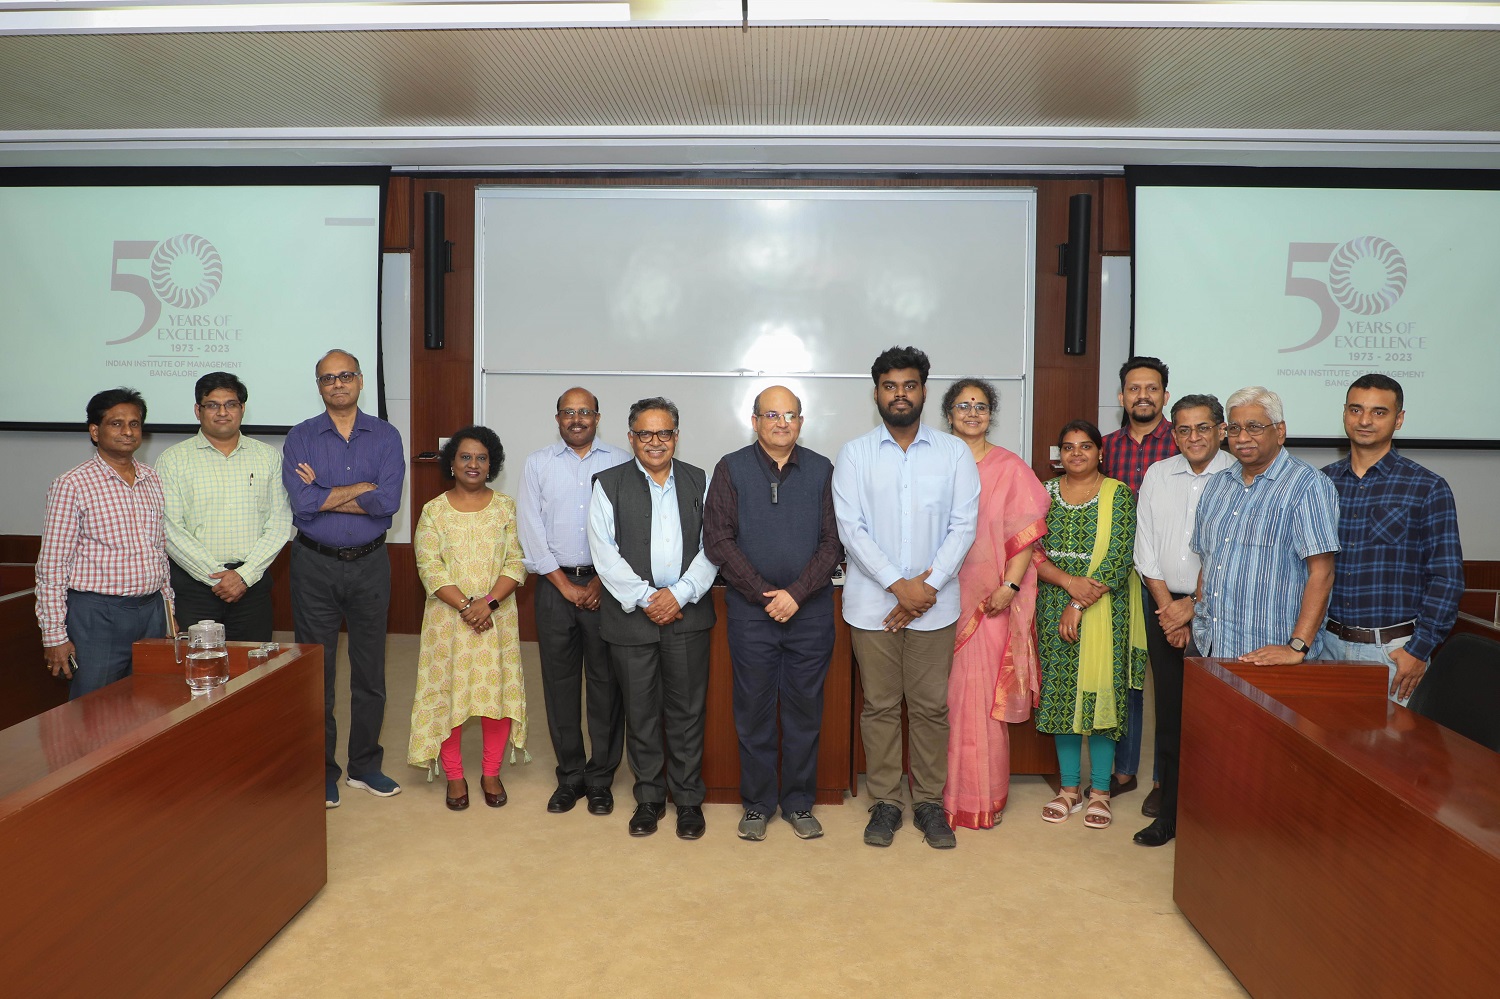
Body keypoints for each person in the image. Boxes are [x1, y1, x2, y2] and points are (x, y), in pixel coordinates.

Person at [833, 346, 979, 850]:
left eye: (910, 385)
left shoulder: (954, 452)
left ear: (924, 391)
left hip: (936, 605)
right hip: (872, 605)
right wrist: (901, 586)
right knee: (878, 707)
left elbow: (963, 527)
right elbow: (851, 530)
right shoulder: (854, 454)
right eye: (890, 385)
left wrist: (927, 588)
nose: (900, 394)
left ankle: (930, 804)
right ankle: (886, 803)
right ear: (876, 392)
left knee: (929, 708)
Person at [703, 385, 843, 842]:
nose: (782, 423)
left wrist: (797, 594)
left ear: (801, 422)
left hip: (811, 613)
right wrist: (765, 594)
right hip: (750, 615)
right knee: (754, 712)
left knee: (804, 712)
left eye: (791, 416)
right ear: (755, 420)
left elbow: (833, 541)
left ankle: (799, 803)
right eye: (772, 415)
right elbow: (718, 540)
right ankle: (758, 804)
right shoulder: (731, 469)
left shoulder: (822, 469)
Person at [587, 397, 718, 840]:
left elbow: (712, 547)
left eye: (664, 433)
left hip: (687, 615)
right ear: (631, 438)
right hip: (631, 617)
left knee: (686, 713)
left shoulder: (700, 481)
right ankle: (648, 799)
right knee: (641, 714)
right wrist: (647, 598)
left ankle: (687, 802)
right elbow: (604, 553)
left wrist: (678, 595)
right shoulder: (608, 483)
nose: (655, 442)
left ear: (676, 437)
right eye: (646, 434)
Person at [283, 349, 407, 809]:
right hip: (314, 564)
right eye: (327, 378)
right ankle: (322, 769)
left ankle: (364, 765)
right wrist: (361, 489)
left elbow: (388, 502)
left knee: (370, 669)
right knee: (317, 670)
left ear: (359, 381)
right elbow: (301, 504)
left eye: (345, 376)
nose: (337, 384)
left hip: (371, 563)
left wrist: (324, 493)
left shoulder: (387, 436)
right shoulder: (300, 437)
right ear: (319, 386)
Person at [940, 378, 1048, 830]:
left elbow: (1023, 533)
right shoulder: (935, 462)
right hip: (938, 598)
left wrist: (1009, 586)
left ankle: (980, 797)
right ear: (948, 414)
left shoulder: (1009, 467)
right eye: (963, 405)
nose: (972, 413)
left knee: (980, 701)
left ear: (990, 414)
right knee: (942, 701)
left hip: (991, 602)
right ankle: (940, 795)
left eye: (980, 406)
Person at [516, 387, 630, 817]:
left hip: (608, 587)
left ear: (598, 417)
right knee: (560, 685)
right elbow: (530, 527)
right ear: (558, 417)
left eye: (585, 412)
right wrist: (564, 586)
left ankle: (601, 779)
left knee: (605, 686)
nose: (577, 419)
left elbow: (628, 528)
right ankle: (571, 776)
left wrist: (602, 579)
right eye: (569, 412)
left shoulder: (621, 460)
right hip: (553, 586)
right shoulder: (538, 463)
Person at [1319, 374, 1463, 704]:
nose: (1365, 420)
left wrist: (1419, 649)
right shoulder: (1320, 484)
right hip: (1325, 648)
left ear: (1399, 419)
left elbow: (1447, 577)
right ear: (1344, 413)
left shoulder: (1427, 487)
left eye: (1379, 412)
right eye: (1356, 410)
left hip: (1393, 655)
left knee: (1393, 753)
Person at [1130, 394, 1235, 847]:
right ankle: (1168, 814)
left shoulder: (1239, 476)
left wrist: (1192, 605)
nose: (1194, 438)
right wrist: (1169, 611)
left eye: (1203, 428)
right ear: (1174, 433)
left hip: (1219, 608)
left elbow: (1229, 552)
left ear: (1222, 430)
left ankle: (1213, 818)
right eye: (1185, 430)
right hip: (1162, 605)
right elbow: (1145, 546)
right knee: (1170, 714)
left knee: (1216, 719)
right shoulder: (1158, 473)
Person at [408, 427, 528, 811]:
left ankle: (491, 772)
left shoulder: (507, 507)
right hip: (448, 622)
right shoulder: (433, 510)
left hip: (498, 618)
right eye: (465, 457)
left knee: (496, 695)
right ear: (452, 463)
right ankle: (455, 775)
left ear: (491, 464)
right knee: (449, 695)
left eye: (481, 458)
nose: (473, 464)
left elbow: (517, 561)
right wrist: (466, 606)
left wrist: (488, 603)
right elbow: (429, 566)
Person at [1034, 420, 1146, 830]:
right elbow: (1032, 551)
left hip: (1104, 608)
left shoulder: (1118, 494)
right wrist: (1067, 587)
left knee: (1102, 698)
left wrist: (1078, 604)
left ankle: (1100, 790)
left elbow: (1120, 554)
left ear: (1101, 452)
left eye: (1085, 446)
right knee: (1062, 697)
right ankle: (1068, 789)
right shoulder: (1043, 494)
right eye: (1068, 447)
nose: (1076, 454)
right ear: (1058, 454)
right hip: (1052, 603)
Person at [35, 387, 172, 698]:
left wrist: (168, 611)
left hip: (151, 612)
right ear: (95, 431)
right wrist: (54, 635)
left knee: (150, 704)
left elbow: (159, 553)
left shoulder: (152, 480)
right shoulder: (72, 484)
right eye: (116, 423)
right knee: (93, 711)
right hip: (98, 615)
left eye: (135, 423)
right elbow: (52, 565)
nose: (127, 431)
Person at [1191, 386, 1339, 664]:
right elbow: (1207, 563)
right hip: (1214, 648)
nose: (1243, 437)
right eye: (1234, 428)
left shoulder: (1307, 485)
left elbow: (1323, 573)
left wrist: (1297, 646)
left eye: (1254, 427)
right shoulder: (1216, 485)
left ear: (1280, 431)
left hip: (1272, 654)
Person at [155, 371, 292, 642]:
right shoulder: (172, 460)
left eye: (230, 404)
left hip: (252, 587)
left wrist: (243, 575)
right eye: (212, 405)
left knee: (254, 672)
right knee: (199, 672)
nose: (222, 412)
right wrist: (218, 578)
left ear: (242, 409)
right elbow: (170, 529)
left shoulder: (268, 457)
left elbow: (279, 522)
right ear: (198, 410)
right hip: (195, 590)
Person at [1099, 356, 1177, 812]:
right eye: (1133, 388)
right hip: (1115, 580)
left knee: (1168, 681)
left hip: (1168, 581)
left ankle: (1163, 778)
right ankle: (1125, 770)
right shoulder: (1104, 448)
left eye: (1151, 388)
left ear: (1165, 395)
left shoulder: (1185, 443)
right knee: (1126, 677)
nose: (1142, 396)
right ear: (1121, 396)